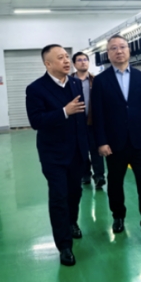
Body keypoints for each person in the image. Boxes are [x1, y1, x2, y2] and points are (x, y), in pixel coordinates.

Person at [91, 35, 141, 248]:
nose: (119, 51)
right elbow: (98, 114)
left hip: (140, 141)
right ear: (108, 54)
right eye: (113, 48)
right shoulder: (101, 81)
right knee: (115, 184)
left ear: (129, 50)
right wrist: (101, 142)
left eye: (122, 47)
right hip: (114, 144)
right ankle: (118, 215)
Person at [26, 44, 89, 266]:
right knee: (59, 197)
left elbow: (81, 118)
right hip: (53, 155)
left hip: (77, 152)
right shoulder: (36, 89)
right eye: (60, 57)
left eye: (67, 57)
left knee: (75, 192)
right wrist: (64, 112)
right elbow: (36, 121)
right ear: (48, 63)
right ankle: (64, 246)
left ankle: (72, 222)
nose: (66, 61)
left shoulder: (75, 83)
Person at [71, 52, 106, 189]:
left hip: (93, 121)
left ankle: (99, 176)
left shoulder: (95, 80)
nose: (83, 62)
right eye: (79, 60)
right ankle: (85, 174)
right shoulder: (68, 82)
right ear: (74, 64)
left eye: (85, 59)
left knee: (96, 149)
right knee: (81, 150)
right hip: (76, 123)